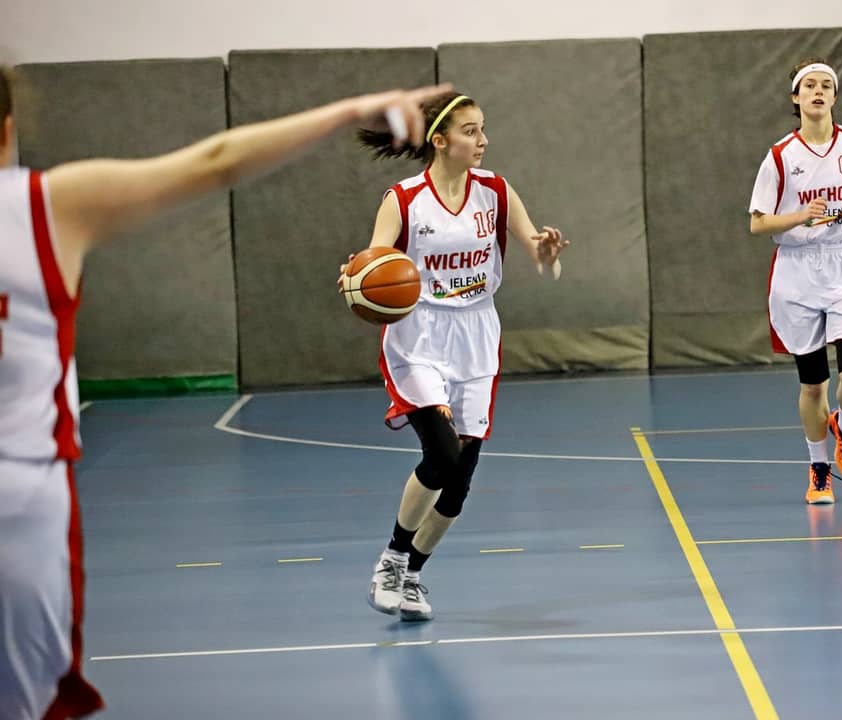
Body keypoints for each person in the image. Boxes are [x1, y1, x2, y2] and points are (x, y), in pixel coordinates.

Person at [0, 65, 451, 720]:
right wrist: (349, 108)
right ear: (9, 128)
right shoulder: (44, 206)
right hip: (19, 502)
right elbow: (214, 162)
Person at [342, 92, 568, 622]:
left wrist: (547, 255)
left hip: (477, 334)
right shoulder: (403, 200)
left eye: (483, 128)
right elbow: (373, 264)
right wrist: (355, 279)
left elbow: (542, 259)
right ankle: (391, 559)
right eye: (470, 131)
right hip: (419, 335)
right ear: (440, 140)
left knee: (459, 482)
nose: (482, 140)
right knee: (441, 455)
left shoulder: (495, 192)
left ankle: (412, 573)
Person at [748, 58, 842, 505]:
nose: (818, 91)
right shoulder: (780, 157)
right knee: (813, 385)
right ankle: (819, 469)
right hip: (797, 272)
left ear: (834, 95)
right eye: (809, 85)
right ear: (796, 97)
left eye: (826, 84)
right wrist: (799, 216)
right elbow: (757, 223)